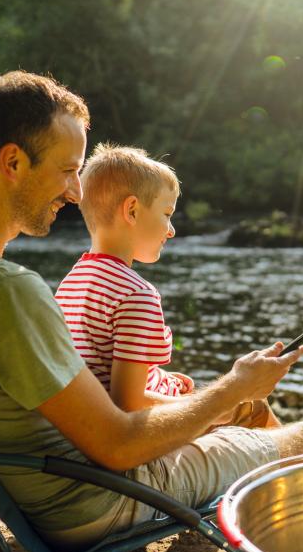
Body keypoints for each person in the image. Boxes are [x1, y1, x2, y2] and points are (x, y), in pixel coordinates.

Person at [0, 71, 303, 552]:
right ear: (13, 162)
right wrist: (233, 387)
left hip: (27, 490)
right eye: (67, 170)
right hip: (92, 501)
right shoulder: (2, 290)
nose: (76, 193)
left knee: (237, 412)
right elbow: (120, 444)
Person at [55, 143, 279, 428]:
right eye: (167, 214)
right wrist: (207, 405)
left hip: (87, 423)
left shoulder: (73, 280)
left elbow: (102, 369)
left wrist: (160, 379)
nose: (171, 230)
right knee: (254, 408)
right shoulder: (136, 295)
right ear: (132, 210)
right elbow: (127, 402)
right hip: (134, 435)